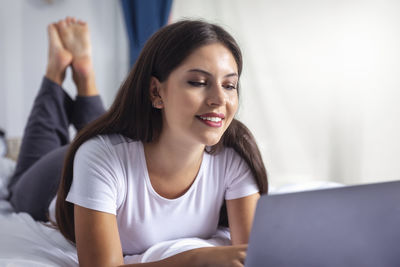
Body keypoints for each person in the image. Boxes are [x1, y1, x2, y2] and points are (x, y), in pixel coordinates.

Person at [9, 17, 268, 267]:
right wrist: (199, 257)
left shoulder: (234, 153)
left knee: (101, 131)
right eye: (198, 82)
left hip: (116, 148)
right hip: (51, 180)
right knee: (27, 167)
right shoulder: (100, 155)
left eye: (230, 85)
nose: (219, 99)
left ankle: (86, 78)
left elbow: (254, 253)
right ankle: (56, 74)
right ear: (156, 91)